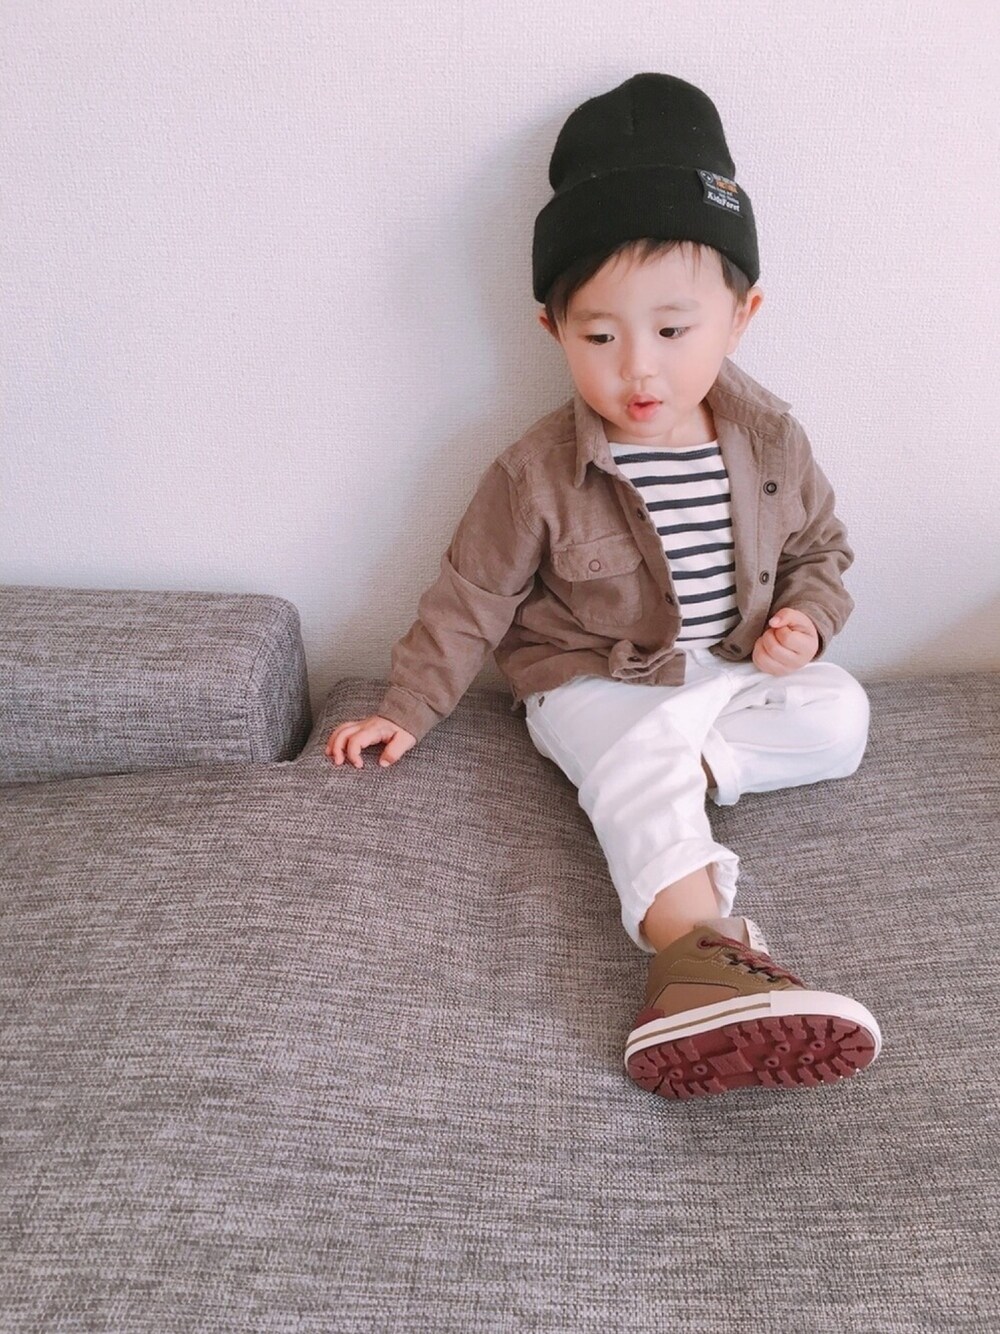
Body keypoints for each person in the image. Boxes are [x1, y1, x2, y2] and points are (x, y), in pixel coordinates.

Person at [326, 73, 882, 1101]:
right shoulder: (535, 472)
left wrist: (806, 620)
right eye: (599, 336)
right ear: (552, 330)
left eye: (672, 331)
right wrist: (406, 706)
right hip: (595, 682)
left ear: (741, 316)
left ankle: (672, 772)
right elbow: (470, 597)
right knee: (633, 751)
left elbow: (822, 550)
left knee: (840, 713)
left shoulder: (771, 441)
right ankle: (699, 959)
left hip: (726, 678)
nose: (638, 370)